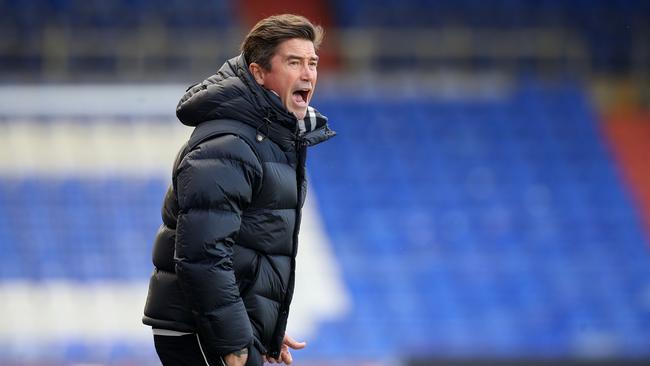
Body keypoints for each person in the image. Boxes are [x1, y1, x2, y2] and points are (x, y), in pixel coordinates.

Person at [142, 14, 336, 366]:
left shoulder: (270, 138)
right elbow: (203, 255)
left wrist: (262, 326)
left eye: (313, 63)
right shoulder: (230, 144)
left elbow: (250, 245)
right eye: (294, 62)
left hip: (221, 324)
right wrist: (233, 340)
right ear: (259, 73)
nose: (308, 74)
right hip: (201, 329)